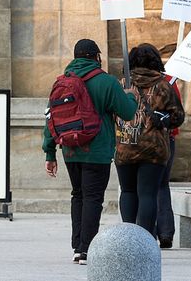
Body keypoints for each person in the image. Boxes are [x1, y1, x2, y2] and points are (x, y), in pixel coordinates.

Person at [43, 38, 137, 265]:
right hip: (97, 150)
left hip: (70, 150)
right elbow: (128, 113)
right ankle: (86, 249)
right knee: (93, 198)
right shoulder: (106, 81)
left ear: (75, 57)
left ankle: (77, 246)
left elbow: (51, 118)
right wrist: (131, 95)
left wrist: (49, 153)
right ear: (97, 57)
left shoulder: (62, 82)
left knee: (78, 195)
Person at [115, 44, 185, 236]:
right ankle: (145, 239)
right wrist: (163, 119)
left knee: (128, 192)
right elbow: (177, 117)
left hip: (125, 146)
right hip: (154, 149)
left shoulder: (122, 85)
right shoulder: (163, 86)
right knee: (148, 194)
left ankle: (129, 237)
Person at [156, 70, 183, 249]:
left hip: (137, 143)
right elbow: (178, 112)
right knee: (162, 185)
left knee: (140, 188)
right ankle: (166, 232)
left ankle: (144, 231)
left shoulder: (129, 81)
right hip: (165, 139)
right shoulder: (167, 82)